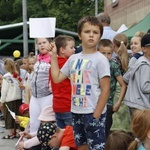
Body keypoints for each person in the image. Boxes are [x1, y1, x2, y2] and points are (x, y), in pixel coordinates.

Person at [49, 16, 110, 150]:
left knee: (96, 147)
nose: (91, 35)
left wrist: (97, 114)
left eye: (95, 32)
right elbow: (57, 78)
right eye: (87, 31)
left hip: (93, 111)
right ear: (79, 35)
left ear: (100, 36)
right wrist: (53, 56)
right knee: (80, 145)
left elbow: (106, 90)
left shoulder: (101, 59)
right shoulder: (73, 59)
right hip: (76, 111)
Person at [98, 39, 127, 138]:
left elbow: (123, 84)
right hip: (93, 103)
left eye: (109, 53)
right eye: (103, 53)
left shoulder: (113, 66)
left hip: (108, 105)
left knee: (105, 132)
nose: (106, 56)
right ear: (98, 52)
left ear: (112, 53)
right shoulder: (95, 64)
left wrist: (118, 102)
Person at [50, 35, 75, 128]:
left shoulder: (53, 65)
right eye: (71, 47)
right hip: (68, 104)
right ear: (62, 50)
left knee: (61, 136)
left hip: (57, 105)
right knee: (70, 136)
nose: (74, 50)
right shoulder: (68, 64)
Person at [29, 38, 53, 133]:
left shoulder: (53, 57)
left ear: (50, 43)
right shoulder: (38, 58)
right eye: (39, 43)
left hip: (47, 95)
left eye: (44, 42)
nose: (42, 45)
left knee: (46, 124)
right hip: (35, 96)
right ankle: (32, 146)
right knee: (33, 123)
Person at [123, 33, 150, 115]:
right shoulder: (145, 65)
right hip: (140, 105)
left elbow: (126, 78)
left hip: (134, 103)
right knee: (142, 128)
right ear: (144, 49)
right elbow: (145, 87)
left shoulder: (139, 61)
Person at [110, 33, 131, 133]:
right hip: (130, 94)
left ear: (114, 45)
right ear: (127, 45)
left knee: (117, 127)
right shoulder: (132, 59)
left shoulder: (113, 61)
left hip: (117, 94)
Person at [0, 58, 22, 139]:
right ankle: (17, 132)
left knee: (9, 116)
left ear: (5, 67)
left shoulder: (6, 77)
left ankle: (11, 133)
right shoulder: (16, 75)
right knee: (17, 115)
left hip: (9, 99)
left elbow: (4, 90)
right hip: (18, 98)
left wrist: (2, 101)